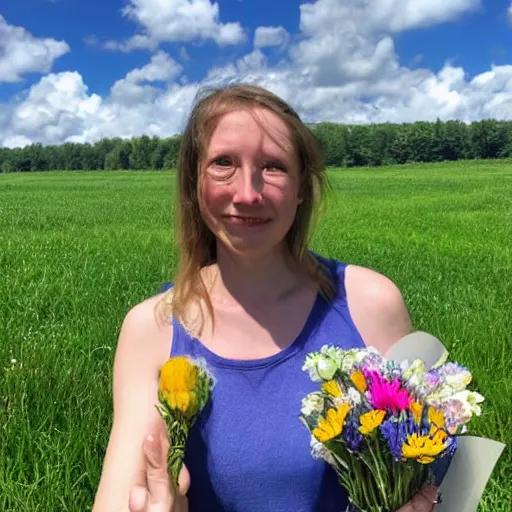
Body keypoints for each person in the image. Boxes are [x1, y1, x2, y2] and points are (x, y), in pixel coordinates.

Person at [92, 84, 442, 512]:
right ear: (194, 182)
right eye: (223, 163)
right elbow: (118, 497)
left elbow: (428, 475)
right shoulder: (153, 328)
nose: (247, 193)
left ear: (300, 188)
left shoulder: (371, 305)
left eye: (273, 167)